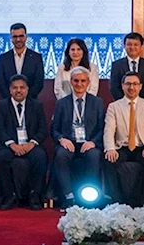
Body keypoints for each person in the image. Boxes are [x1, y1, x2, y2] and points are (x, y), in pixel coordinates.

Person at [103, 72, 144, 207]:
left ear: (140, 86)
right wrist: (110, 148)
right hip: (122, 147)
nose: (131, 87)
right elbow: (109, 130)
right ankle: (116, 202)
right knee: (108, 161)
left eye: (135, 84)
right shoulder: (114, 106)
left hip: (142, 148)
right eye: (128, 84)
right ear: (122, 86)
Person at [51, 67, 104, 208]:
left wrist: (93, 142)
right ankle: (68, 196)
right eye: (76, 81)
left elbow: (102, 128)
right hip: (69, 142)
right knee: (61, 155)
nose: (79, 84)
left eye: (83, 81)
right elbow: (54, 128)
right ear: (71, 82)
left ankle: (88, 196)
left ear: (88, 82)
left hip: (88, 142)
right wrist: (61, 139)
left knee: (94, 155)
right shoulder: (62, 103)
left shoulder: (97, 102)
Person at [0, 74, 48, 210]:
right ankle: (8, 196)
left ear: (27, 89)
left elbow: (43, 129)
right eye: (15, 88)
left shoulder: (36, 105)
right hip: (10, 146)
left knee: (41, 157)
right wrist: (12, 144)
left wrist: (31, 144)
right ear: (10, 90)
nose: (18, 91)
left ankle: (35, 196)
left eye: (22, 87)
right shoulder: (2, 105)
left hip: (30, 145)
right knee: (1, 157)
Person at [0, 23, 45, 101]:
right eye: (15, 37)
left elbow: (39, 83)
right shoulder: (3, 58)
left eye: (21, 36)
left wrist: (25, 100)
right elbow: (0, 83)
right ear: (11, 38)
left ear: (26, 37)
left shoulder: (36, 57)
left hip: (31, 102)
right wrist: (12, 100)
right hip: (8, 103)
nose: (18, 39)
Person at [109, 33, 144, 101]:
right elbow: (114, 88)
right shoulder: (117, 65)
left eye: (136, 44)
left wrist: (142, 103)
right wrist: (126, 102)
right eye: (129, 44)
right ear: (124, 46)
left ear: (141, 47)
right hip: (123, 104)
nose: (132, 47)